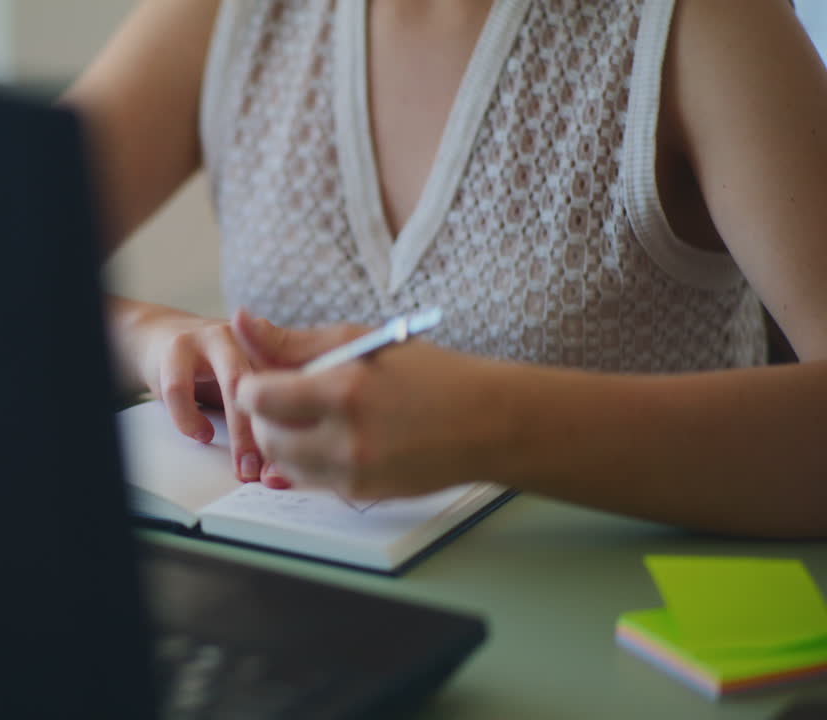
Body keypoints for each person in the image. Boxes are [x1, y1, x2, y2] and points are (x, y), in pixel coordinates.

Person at [63, 0, 827, 538]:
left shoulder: (706, 22)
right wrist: (149, 337)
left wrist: (494, 427)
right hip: (302, 623)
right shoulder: (233, 14)